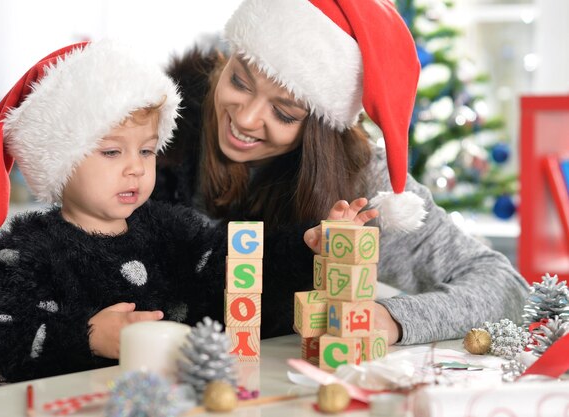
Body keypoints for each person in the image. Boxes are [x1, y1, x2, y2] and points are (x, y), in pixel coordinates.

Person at [154, 0, 529, 346]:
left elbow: (504, 287)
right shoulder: (154, 128)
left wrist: (390, 319)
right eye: (239, 81)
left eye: (284, 113)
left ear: (321, 128)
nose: (246, 118)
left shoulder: (360, 185)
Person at [0, 40, 232, 383]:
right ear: (60, 163)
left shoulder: (172, 228)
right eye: (112, 152)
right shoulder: (26, 251)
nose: (136, 168)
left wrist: (298, 248)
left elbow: (238, 260)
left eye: (146, 151)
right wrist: (88, 336)